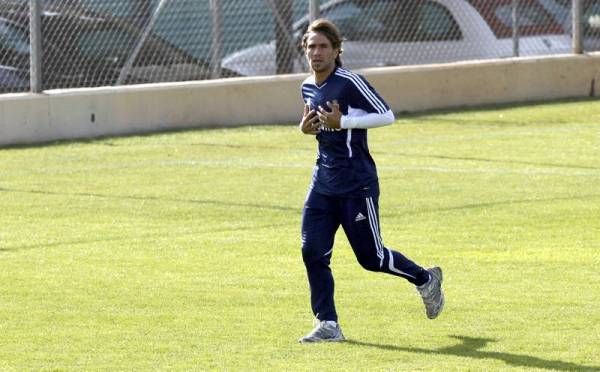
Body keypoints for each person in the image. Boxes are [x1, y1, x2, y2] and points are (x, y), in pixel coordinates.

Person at [297, 19, 445, 343]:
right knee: (312, 252)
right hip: (322, 182)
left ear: (336, 50)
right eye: (311, 47)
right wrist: (305, 128)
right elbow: (317, 126)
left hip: (356, 184)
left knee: (372, 258)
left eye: (323, 46)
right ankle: (328, 324)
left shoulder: (350, 82)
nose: (316, 52)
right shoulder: (307, 86)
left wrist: (344, 121)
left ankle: (425, 279)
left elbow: (386, 114)